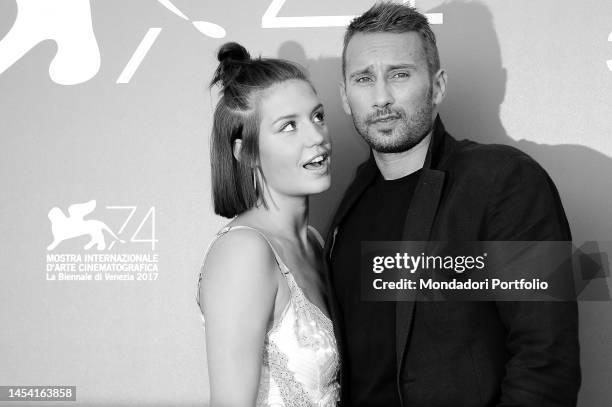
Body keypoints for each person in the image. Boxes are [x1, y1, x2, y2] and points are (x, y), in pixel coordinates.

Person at [324, 2, 581, 406]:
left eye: (400, 74)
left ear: (438, 85)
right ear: (344, 95)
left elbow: (546, 360)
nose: (380, 97)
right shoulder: (350, 201)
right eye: (363, 79)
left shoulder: (505, 180)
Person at [196, 42, 339, 406]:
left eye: (318, 116)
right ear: (247, 153)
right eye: (289, 126)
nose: (316, 137)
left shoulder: (314, 241)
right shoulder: (244, 251)